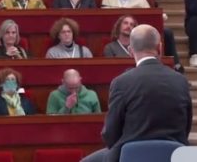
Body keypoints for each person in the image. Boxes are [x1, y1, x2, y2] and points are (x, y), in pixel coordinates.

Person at [80, 25, 191, 162]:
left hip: (131, 155)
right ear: (159, 48)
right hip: (173, 154)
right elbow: (186, 127)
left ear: (131, 51)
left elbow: (110, 134)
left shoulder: (121, 82)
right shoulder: (180, 80)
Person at [101, 0, 184, 72]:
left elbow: (150, 17)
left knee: (167, 32)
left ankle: (176, 66)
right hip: (119, 35)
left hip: (141, 32)